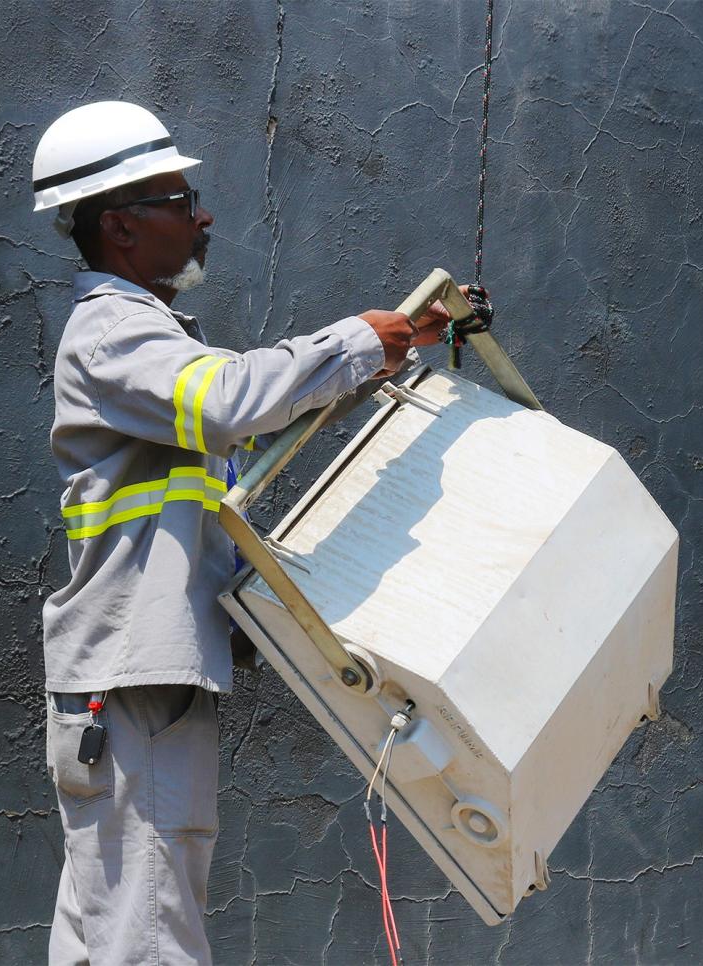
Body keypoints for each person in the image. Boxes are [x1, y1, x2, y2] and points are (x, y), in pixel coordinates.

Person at [31, 101, 460, 964]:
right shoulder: (115, 333)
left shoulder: (142, 336)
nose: (203, 217)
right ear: (120, 225)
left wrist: (392, 346)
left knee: (105, 934)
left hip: (133, 677)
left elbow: (251, 415)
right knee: (150, 936)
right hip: (133, 680)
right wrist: (353, 340)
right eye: (180, 200)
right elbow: (232, 400)